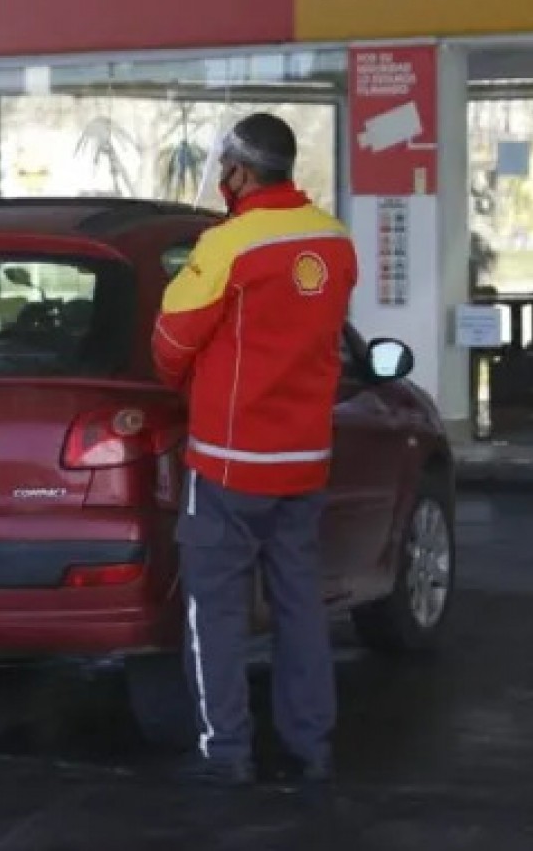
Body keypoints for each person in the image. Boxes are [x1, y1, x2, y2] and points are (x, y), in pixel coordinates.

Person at [151, 113, 357, 787]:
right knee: (300, 607)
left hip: (229, 463)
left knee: (216, 613)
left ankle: (227, 752)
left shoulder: (229, 244)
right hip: (303, 461)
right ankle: (312, 748)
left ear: (240, 172)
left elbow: (172, 343)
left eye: (225, 170)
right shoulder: (335, 240)